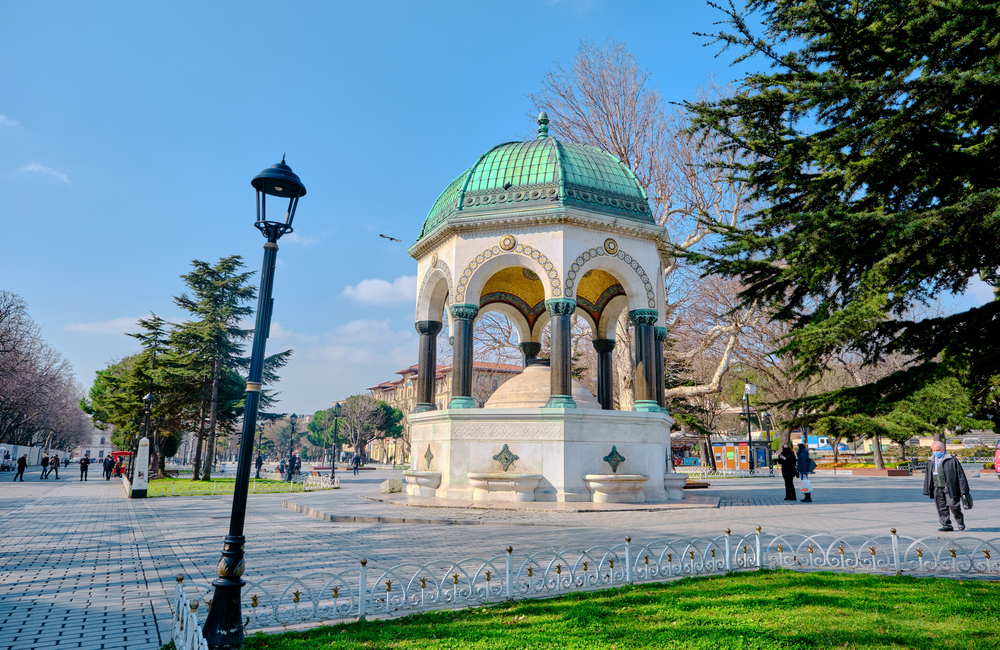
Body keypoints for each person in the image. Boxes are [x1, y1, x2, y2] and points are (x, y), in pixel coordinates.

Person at [922, 441, 970, 531]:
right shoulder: (930, 461)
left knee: (953, 505)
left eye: (938, 450)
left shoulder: (951, 460)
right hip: (937, 487)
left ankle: (960, 521)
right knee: (941, 507)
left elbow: (960, 475)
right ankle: (946, 525)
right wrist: (927, 489)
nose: (936, 452)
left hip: (950, 487)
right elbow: (928, 476)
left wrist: (964, 490)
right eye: (934, 450)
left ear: (943, 449)